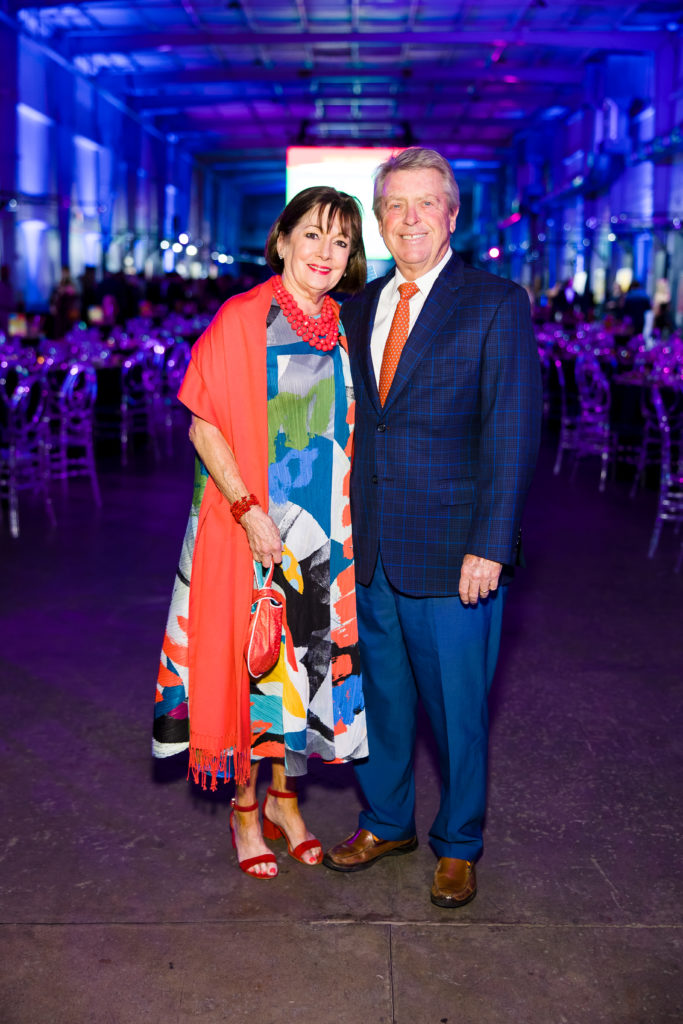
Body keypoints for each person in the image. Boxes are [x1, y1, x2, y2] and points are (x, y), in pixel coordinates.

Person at [323, 148, 543, 909]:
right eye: (393, 205)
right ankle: (386, 820)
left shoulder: (493, 302)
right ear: (378, 219)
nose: (408, 218)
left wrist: (491, 542)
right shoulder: (356, 309)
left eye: (425, 203)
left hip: (455, 553)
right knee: (379, 699)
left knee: (456, 710)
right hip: (371, 545)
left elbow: (511, 432)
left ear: (452, 215)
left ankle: (459, 843)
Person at [154, 186, 369, 879]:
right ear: (280, 240)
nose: (325, 253)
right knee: (247, 671)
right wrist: (249, 513)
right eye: (312, 235)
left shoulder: (345, 326)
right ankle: (245, 810)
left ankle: (285, 799)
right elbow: (203, 423)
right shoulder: (244, 317)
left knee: (301, 674)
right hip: (247, 526)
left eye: (339, 242)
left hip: (322, 536)